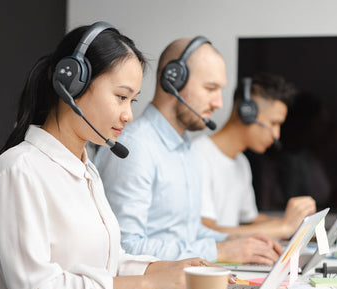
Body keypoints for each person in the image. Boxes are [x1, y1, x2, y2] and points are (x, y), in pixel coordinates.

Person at [0, 23, 214, 289]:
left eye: (133, 101)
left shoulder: (86, 168)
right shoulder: (19, 170)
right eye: (121, 97)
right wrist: (148, 284)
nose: (128, 115)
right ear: (71, 83)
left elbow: (103, 264)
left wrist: (161, 269)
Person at [94, 37, 282, 265]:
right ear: (174, 79)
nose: (219, 103)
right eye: (210, 88)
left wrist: (237, 241)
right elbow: (124, 247)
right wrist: (219, 251)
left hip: (182, 285)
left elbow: (189, 234)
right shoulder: (136, 148)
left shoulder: (187, 149)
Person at [192, 74, 316, 240]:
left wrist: (296, 225)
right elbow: (206, 232)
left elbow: (250, 221)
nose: (276, 135)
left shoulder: (241, 162)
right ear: (247, 112)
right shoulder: (198, 155)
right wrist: (283, 227)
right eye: (274, 123)